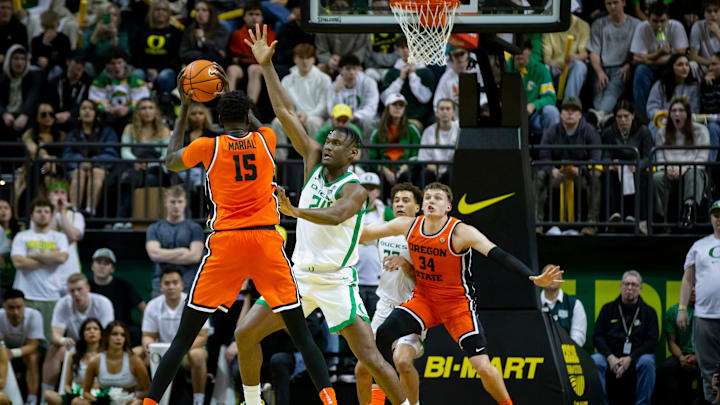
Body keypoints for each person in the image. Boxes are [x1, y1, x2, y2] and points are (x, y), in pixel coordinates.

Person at [142, 56, 337, 405]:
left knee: (182, 340)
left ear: (218, 120)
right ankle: (331, 401)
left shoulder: (207, 147)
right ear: (248, 117)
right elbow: (261, 123)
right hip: (265, 240)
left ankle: (150, 402)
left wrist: (186, 107)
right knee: (302, 337)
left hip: (227, 244)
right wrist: (244, 105)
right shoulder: (265, 139)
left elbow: (169, 159)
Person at [240, 24, 411, 405]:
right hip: (298, 277)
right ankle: (252, 401)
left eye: (338, 143)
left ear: (353, 154)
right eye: (329, 139)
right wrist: (267, 66)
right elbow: (284, 111)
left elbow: (335, 216)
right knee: (245, 335)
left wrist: (293, 210)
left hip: (337, 283)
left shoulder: (355, 189)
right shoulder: (313, 159)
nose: (329, 145)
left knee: (372, 360)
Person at [358, 182, 564, 405]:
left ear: (448, 206)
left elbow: (498, 254)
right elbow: (365, 232)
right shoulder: (408, 225)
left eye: (437, 198)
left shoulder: (460, 232)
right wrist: (331, 224)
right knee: (384, 335)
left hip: (456, 305)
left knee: (482, 367)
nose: (430, 201)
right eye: (427, 197)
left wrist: (531, 276)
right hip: (424, 300)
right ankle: (380, 400)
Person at [355, 182, 423, 405]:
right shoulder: (384, 231)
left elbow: (425, 282)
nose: (400, 205)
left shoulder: (424, 237)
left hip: (412, 309)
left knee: (401, 361)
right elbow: (357, 236)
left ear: (418, 207)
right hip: (384, 307)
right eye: (396, 201)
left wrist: (405, 264)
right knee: (362, 370)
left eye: (406, 201)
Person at [139, 267, 209, 405]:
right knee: (137, 354)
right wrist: (148, 346)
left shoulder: (194, 303)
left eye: (175, 282)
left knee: (198, 356)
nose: (171, 286)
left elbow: (202, 336)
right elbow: (147, 336)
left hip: (186, 352)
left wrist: (178, 352)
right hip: (160, 354)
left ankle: (198, 400)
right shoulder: (153, 305)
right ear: (161, 286)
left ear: (182, 285)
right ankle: (141, 396)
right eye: (167, 283)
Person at [534, 96, 602, 236]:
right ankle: (537, 223)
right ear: (561, 114)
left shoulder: (589, 131)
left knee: (596, 176)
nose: (570, 113)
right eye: (566, 110)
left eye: (574, 110)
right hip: (558, 175)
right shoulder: (552, 131)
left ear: (580, 114)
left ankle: (592, 224)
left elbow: (595, 157)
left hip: (580, 176)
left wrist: (581, 170)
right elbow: (544, 156)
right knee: (540, 175)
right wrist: (552, 170)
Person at [591, 270, 658, 405]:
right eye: (626, 284)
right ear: (621, 286)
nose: (629, 288)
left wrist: (631, 358)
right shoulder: (608, 309)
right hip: (610, 357)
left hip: (636, 357)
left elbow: (651, 342)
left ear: (640, 289)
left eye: (634, 285)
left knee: (648, 362)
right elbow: (598, 336)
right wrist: (610, 357)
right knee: (595, 360)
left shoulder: (649, 312)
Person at [678, 200, 720, 405]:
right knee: (708, 371)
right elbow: (687, 279)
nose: (719, 219)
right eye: (716, 215)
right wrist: (682, 308)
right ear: (711, 218)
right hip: (704, 317)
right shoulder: (700, 246)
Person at [43, 273, 114, 394]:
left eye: (79, 289)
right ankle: (46, 395)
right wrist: (63, 340)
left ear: (88, 288)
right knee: (54, 349)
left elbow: (107, 336)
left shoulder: (103, 303)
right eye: (72, 291)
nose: (76, 294)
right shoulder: (63, 304)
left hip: (98, 346)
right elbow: (55, 335)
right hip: (74, 347)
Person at [10, 198, 68, 342]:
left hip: (51, 296)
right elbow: (18, 262)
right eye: (39, 211)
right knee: (24, 341)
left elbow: (61, 259)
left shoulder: (59, 237)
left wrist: (34, 254)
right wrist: (50, 258)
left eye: (46, 211)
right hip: (25, 296)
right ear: (32, 215)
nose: (42, 214)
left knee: (51, 341)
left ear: (51, 215)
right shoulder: (21, 236)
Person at [652, 95, 710, 229]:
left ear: (688, 113)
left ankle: (688, 213)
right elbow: (660, 157)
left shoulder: (701, 130)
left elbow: (702, 159)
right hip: (671, 172)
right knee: (657, 177)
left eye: (681, 110)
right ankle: (662, 218)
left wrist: (684, 168)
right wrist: (666, 169)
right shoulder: (662, 131)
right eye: (673, 111)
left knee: (694, 173)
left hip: (693, 170)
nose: (677, 114)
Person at [600, 100, 653, 234]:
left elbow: (649, 156)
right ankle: (612, 217)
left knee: (642, 177)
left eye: (626, 116)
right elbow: (605, 155)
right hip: (618, 169)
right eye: (619, 117)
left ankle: (641, 221)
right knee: (608, 176)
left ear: (633, 115)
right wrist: (611, 164)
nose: (623, 120)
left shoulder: (643, 131)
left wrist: (637, 165)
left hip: (637, 168)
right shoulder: (609, 132)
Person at [271, 43, 331, 160]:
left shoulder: (324, 79)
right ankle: (280, 163)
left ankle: (316, 160)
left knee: (313, 122)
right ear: (295, 59)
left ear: (313, 59)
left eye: (308, 58)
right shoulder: (287, 80)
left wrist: (307, 116)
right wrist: (293, 115)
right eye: (301, 58)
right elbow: (282, 103)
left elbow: (324, 105)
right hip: (293, 116)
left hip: (315, 116)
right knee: (277, 122)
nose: (305, 61)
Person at [587, 0, 641, 124]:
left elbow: (639, 51)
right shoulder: (598, 24)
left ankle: (598, 115)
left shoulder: (636, 24)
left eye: (615, 3)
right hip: (602, 67)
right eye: (608, 3)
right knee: (599, 95)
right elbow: (593, 53)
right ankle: (603, 117)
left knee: (613, 89)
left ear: (623, 3)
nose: (612, 7)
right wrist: (600, 72)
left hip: (622, 67)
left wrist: (629, 64)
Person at [631, 2, 689, 116]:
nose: (659, 25)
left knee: (681, 65)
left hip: (670, 65)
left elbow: (679, 54)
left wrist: (648, 60)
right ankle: (642, 117)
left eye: (662, 21)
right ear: (648, 19)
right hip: (649, 66)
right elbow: (636, 57)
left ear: (668, 19)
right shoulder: (642, 27)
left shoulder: (676, 26)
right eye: (655, 21)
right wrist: (659, 54)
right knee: (640, 71)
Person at [145, 185, 204, 297]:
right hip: (160, 288)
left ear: (185, 203)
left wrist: (164, 254)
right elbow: (154, 255)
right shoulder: (154, 228)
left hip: (188, 288)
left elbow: (195, 257)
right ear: (166, 203)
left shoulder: (195, 228)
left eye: (179, 201)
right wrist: (182, 251)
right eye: (172, 202)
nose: (176, 206)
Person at [63, 100, 119, 216]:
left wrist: (93, 162)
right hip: (77, 168)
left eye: (90, 108)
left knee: (96, 173)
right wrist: (81, 163)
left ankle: (90, 211)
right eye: (83, 108)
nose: (87, 111)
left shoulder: (108, 132)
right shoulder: (72, 134)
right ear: (79, 113)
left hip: (101, 168)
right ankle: (74, 212)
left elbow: (112, 154)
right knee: (79, 173)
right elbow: (67, 155)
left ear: (96, 113)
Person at [75, 321, 150, 405]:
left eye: (122, 335)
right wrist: (98, 401)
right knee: (77, 402)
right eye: (114, 334)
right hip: (104, 403)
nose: (119, 338)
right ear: (107, 337)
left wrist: (134, 400)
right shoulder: (95, 361)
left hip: (128, 402)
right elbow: (86, 392)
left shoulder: (134, 360)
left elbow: (147, 390)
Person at [88, 248, 145, 345]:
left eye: (106, 263)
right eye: (98, 262)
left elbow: (143, 308)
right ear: (92, 266)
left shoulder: (123, 285)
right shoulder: (86, 287)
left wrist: (146, 332)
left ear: (112, 269)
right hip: (96, 332)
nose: (101, 266)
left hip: (122, 331)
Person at [355, 172, 392, 321]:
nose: (368, 192)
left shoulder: (386, 212)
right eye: (365, 188)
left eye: (372, 189)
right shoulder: (350, 211)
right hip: (354, 280)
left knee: (378, 324)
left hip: (378, 280)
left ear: (377, 192)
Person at [369, 93, 422, 196]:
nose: (398, 108)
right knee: (380, 178)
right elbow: (373, 157)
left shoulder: (412, 129)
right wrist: (385, 170)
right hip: (384, 169)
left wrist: (404, 167)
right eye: (394, 105)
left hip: (405, 169)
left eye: (401, 105)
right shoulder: (377, 131)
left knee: (406, 176)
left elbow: (416, 154)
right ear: (388, 107)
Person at [88, 47, 150, 134]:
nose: (117, 66)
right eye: (113, 63)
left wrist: (128, 109)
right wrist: (107, 109)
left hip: (130, 116)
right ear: (107, 65)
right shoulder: (100, 80)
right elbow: (95, 101)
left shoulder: (134, 79)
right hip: (108, 116)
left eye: (119, 62)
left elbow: (142, 100)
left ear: (125, 63)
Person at [507, 41, 560, 142]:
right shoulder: (506, 67)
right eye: (515, 51)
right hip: (511, 116)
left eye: (522, 50)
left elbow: (550, 97)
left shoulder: (540, 69)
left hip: (532, 117)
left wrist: (534, 105)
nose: (519, 54)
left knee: (551, 112)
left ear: (529, 51)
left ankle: (548, 152)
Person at [43, 318, 102, 405]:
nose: (92, 331)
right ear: (82, 334)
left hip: (97, 395)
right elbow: (67, 384)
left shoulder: (105, 355)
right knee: (48, 395)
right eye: (88, 329)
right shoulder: (73, 356)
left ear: (101, 334)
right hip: (77, 394)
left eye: (95, 329)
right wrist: (71, 393)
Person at [0, 289, 44, 405]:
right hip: (4, 350)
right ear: (4, 306)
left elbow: (33, 345)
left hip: (25, 351)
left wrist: (12, 353)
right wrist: (5, 354)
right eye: (11, 308)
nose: (16, 312)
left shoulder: (34, 315)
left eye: (19, 307)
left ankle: (32, 399)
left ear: (24, 305)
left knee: (32, 358)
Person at [380, 36, 436, 127]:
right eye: (402, 48)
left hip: (420, 118)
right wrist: (400, 79)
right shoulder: (392, 72)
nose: (406, 50)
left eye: (409, 47)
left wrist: (412, 76)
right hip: (395, 118)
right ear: (398, 51)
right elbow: (385, 99)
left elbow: (425, 98)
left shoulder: (426, 72)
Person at [658, 288, 700, 405]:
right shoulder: (673, 311)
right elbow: (671, 342)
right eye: (690, 287)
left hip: (704, 357)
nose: (693, 290)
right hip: (682, 355)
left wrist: (697, 358)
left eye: (696, 286)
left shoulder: (711, 312)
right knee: (666, 368)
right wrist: (681, 358)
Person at [131, 0, 181, 98]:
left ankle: (166, 100)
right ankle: (137, 102)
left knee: (165, 76)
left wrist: (158, 70)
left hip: (165, 70)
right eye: (157, 9)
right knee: (136, 74)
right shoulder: (142, 30)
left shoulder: (175, 32)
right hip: (144, 68)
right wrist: (147, 69)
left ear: (169, 13)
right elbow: (136, 54)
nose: (160, 12)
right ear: (151, 12)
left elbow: (175, 58)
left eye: (164, 10)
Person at [226, 1, 275, 101]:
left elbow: (268, 57)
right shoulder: (237, 34)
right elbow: (235, 59)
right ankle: (229, 103)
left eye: (257, 14)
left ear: (262, 17)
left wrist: (246, 57)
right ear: (244, 17)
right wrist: (253, 57)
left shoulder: (268, 33)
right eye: (250, 14)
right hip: (242, 67)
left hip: (262, 66)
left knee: (254, 69)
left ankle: (251, 107)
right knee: (232, 69)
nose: (254, 17)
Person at [326, 54, 380, 141]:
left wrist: (354, 116)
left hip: (361, 118)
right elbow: (331, 111)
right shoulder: (333, 86)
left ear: (359, 69)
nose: (352, 72)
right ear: (340, 70)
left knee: (368, 122)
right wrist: (336, 92)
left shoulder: (369, 82)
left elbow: (371, 108)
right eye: (348, 69)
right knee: (328, 124)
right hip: (342, 119)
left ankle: (367, 153)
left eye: (355, 69)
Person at [47, 180, 84, 294]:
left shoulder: (76, 216)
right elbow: (47, 237)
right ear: (49, 196)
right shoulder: (42, 214)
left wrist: (62, 211)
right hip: (49, 273)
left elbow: (72, 236)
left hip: (70, 271)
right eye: (56, 192)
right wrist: (53, 210)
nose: (59, 195)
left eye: (63, 193)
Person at [646, 54, 700, 131]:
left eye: (687, 65)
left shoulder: (694, 86)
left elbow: (694, 110)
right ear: (672, 67)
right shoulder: (660, 85)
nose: (684, 68)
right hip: (664, 120)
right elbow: (651, 108)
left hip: (685, 121)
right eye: (680, 65)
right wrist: (664, 115)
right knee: (654, 126)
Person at [542, 14, 590, 99]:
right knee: (544, 67)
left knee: (580, 66)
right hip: (554, 68)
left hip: (572, 67)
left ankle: (569, 103)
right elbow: (546, 57)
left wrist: (576, 57)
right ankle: (548, 101)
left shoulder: (583, 25)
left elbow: (585, 54)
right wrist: (552, 62)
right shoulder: (549, 25)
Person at [0, 45, 43, 137]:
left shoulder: (33, 77)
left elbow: (32, 98)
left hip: (25, 116)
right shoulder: (2, 78)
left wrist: (25, 114)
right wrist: (4, 114)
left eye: (23, 59)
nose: (19, 62)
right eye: (16, 58)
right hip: (6, 116)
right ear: (9, 60)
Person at [45, 50, 92, 133]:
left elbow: (86, 103)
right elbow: (50, 102)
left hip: (78, 120)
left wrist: (69, 114)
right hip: (57, 119)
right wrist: (56, 115)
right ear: (68, 62)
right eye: (77, 62)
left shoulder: (88, 83)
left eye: (83, 63)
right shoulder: (56, 82)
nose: (80, 66)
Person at [433, 48, 485, 121]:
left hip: (476, 119)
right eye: (456, 55)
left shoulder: (478, 73)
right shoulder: (446, 78)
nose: (459, 58)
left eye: (462, 54)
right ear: (451, 57)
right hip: (453, 122)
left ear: (468, 55)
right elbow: (437, 103)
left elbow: (485, 99)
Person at [540, 266, 587, 347]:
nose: (551, 278)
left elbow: (578, 337)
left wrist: (562, 349)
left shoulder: (574, 304)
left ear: (561, 279)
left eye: (555, 274)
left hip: (567, 353)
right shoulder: (534, 303)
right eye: (547, 274)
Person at [417, 98, 459, 186]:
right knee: (425, 173)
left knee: (452, 173)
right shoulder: (429, 131)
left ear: (453, 112)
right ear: (437, 112)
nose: (445, 112)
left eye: (448, 109)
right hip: (433, 169)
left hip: (452, 168)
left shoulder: (459, 130)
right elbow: (423, 158)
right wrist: (434, 169)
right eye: (442, 109)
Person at [81, 3, 131, 73]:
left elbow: (126, 59)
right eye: (108, 15)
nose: (111, 18)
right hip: (95, 67)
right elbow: (84, 57)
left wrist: (115, 38)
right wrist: (95, 36)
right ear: (101, 17)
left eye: (115, 15)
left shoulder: (122, 33)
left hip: (115, 69)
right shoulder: (91, 30)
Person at [179, 1, 229, 66]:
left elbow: (220, 54)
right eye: (197, 10)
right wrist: (204, 55)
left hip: (214, 68)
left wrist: (203, 40)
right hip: (193, 68)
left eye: (204, 10)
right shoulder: (190, 30)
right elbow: (183, 54)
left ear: (210, 13)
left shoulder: (220, 29)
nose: (200, 13)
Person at [30, 10, 70, 77]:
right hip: (40, 70)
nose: (49, 31)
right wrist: (44, 44)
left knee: (57, 70)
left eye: (52, 27)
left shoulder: (64, 39)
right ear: (42, 26)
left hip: (56, 71)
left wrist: (49, 62)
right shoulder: (36, 40)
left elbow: (64, 61)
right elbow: (33, 59)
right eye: (46, 27)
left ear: (58, 25)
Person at [689, 0, 720, 69]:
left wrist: (718, 33)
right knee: (692, 64)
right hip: (706, 64)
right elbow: (693, 56)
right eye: (709, 11)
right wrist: (711, 64)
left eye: (716, 11)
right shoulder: (697, 26)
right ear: (704, 14)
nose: (712, 14)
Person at [0, 0, 28, 65]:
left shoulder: (20, 28)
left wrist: (4, 57)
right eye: (2, 8)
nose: (5, 11)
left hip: (12, 65)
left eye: (8, 8)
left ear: (12, 11)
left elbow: (22, 50)